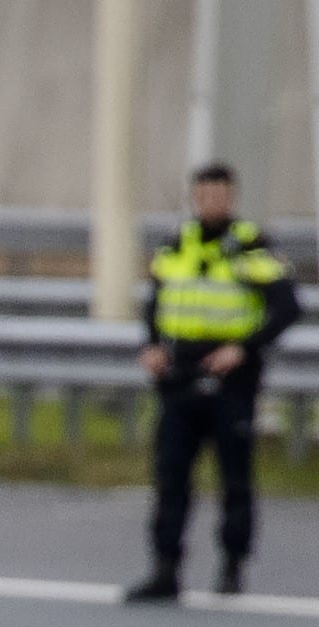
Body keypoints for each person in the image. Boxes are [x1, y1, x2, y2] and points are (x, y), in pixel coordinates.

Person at [127, 162, 301, 601]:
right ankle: (165, 568)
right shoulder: (178, 243)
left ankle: (232, 565)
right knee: (170, 476)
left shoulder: (249, 246)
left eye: (219, 195)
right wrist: (151, 345)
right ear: (194, 197)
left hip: (231, 381)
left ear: (232, 198)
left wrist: (243, 348)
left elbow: (286, 308)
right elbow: (157, 300)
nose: (211, 203)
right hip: (179, 378)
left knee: (234, 477)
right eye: (204, 195)